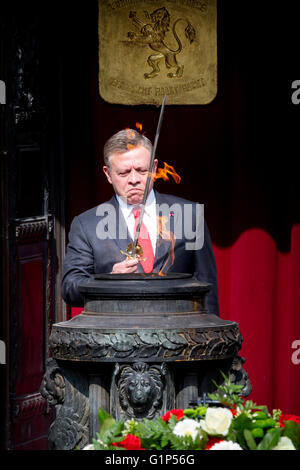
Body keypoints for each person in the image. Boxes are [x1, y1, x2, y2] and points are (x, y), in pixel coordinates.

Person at [62, 129, 219, 315]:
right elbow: (70, 287)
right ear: (108, 174)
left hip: (178, 334)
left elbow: (207, 287)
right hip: (116, 337)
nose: (134, 180)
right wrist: (109, 280)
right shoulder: (86, 225)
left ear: (154, 168)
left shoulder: (190, 215)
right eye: (124, 173)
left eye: (142, 170)